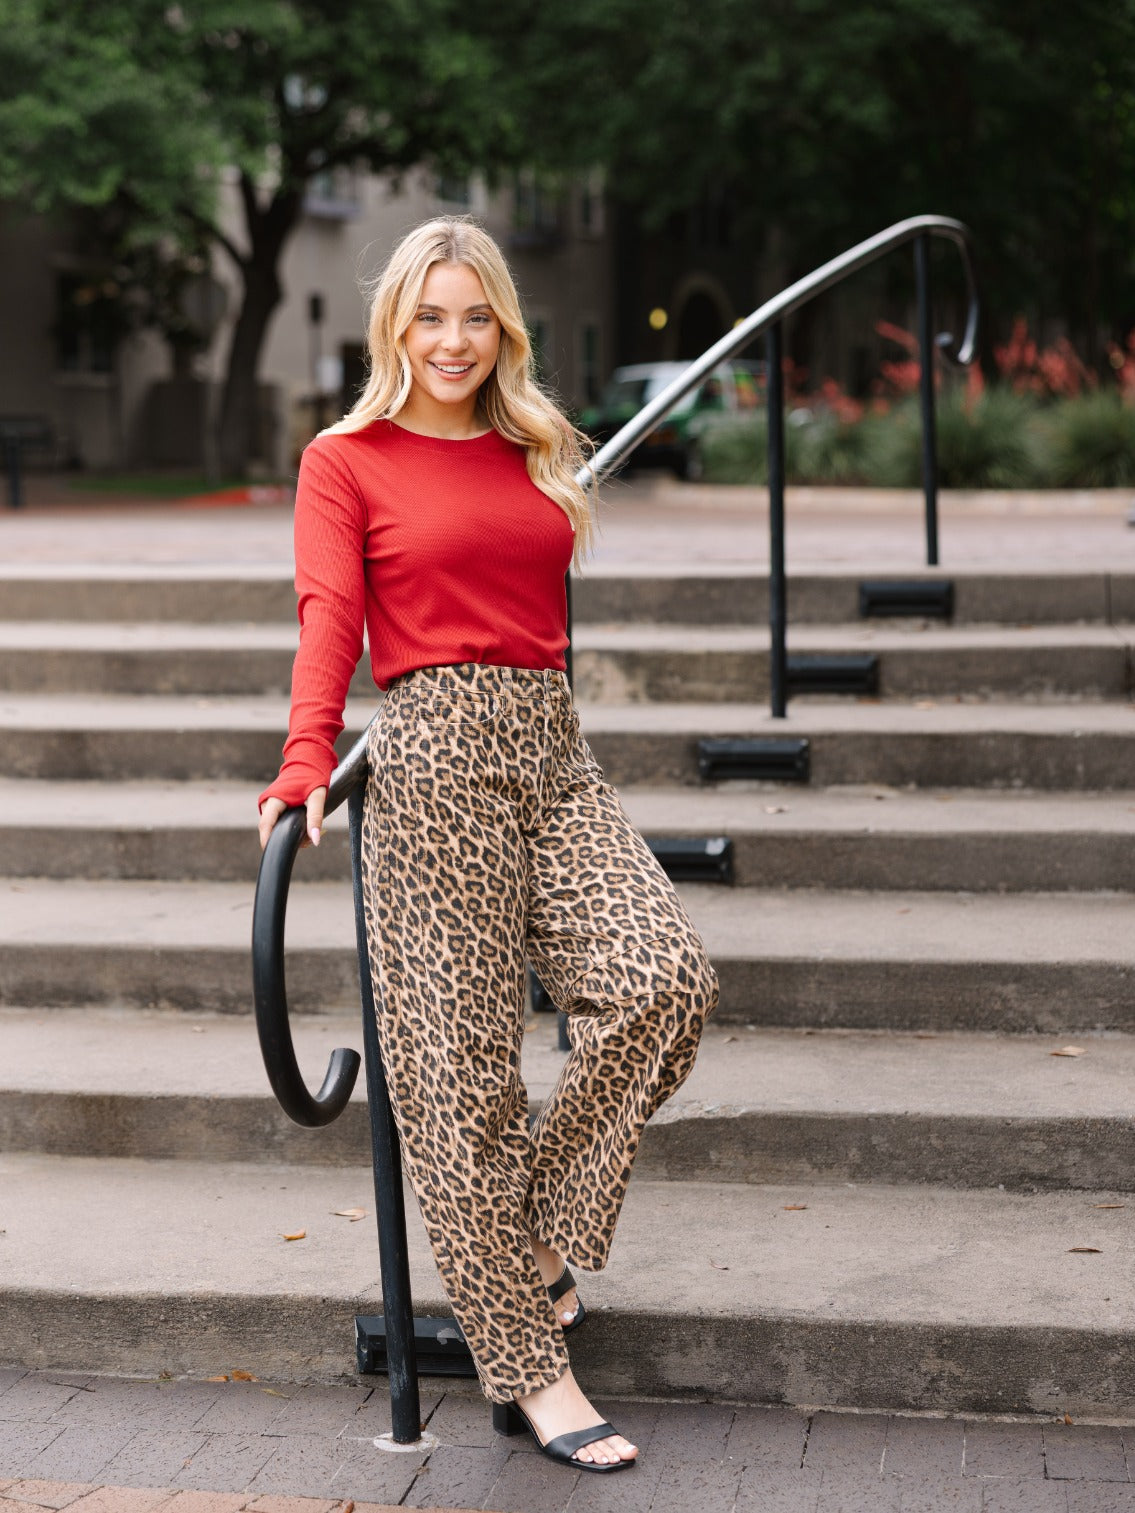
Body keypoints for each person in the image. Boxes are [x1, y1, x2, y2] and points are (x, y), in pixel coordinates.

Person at [258, 217, 718, 1473]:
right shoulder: (345, 459)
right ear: (393, 325)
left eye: (473, 317)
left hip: (552, 752)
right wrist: (307, 757)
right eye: (428, 317)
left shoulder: (537, 444)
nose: (450, 341)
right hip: (433, 767)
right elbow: (330, 616)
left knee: (662, 980)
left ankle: (537, 1251)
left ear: (501, 325)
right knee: (459, 1089)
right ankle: (535, 1373)